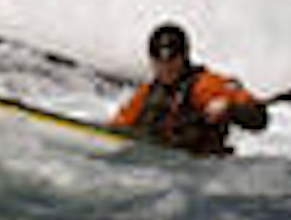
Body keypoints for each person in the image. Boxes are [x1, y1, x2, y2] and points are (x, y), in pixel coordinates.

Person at [111, 22, 268, 155]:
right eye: (158, 59)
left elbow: (260, 119)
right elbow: (118, 126)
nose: (165, 66)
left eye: (171, 59)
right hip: (165, 166)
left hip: (207, 169)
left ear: (184, 56)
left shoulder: (208, 85)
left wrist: (231, 109)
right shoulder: (147, 93)